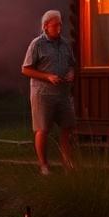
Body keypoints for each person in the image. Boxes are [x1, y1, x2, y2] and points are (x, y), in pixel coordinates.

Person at [21, 10, 76, 176]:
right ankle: (44, 165)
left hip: (63, 94)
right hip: (43, 94)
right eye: (55, 25)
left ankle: (67, 164)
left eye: (60, 24)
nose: (59, 28)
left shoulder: (65, 44)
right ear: (46, 26)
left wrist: (71, 73)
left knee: (67, 127)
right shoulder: (37, 44)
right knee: (43, 129)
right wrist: (47, 76)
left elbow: (72, 64)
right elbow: (25, 69)